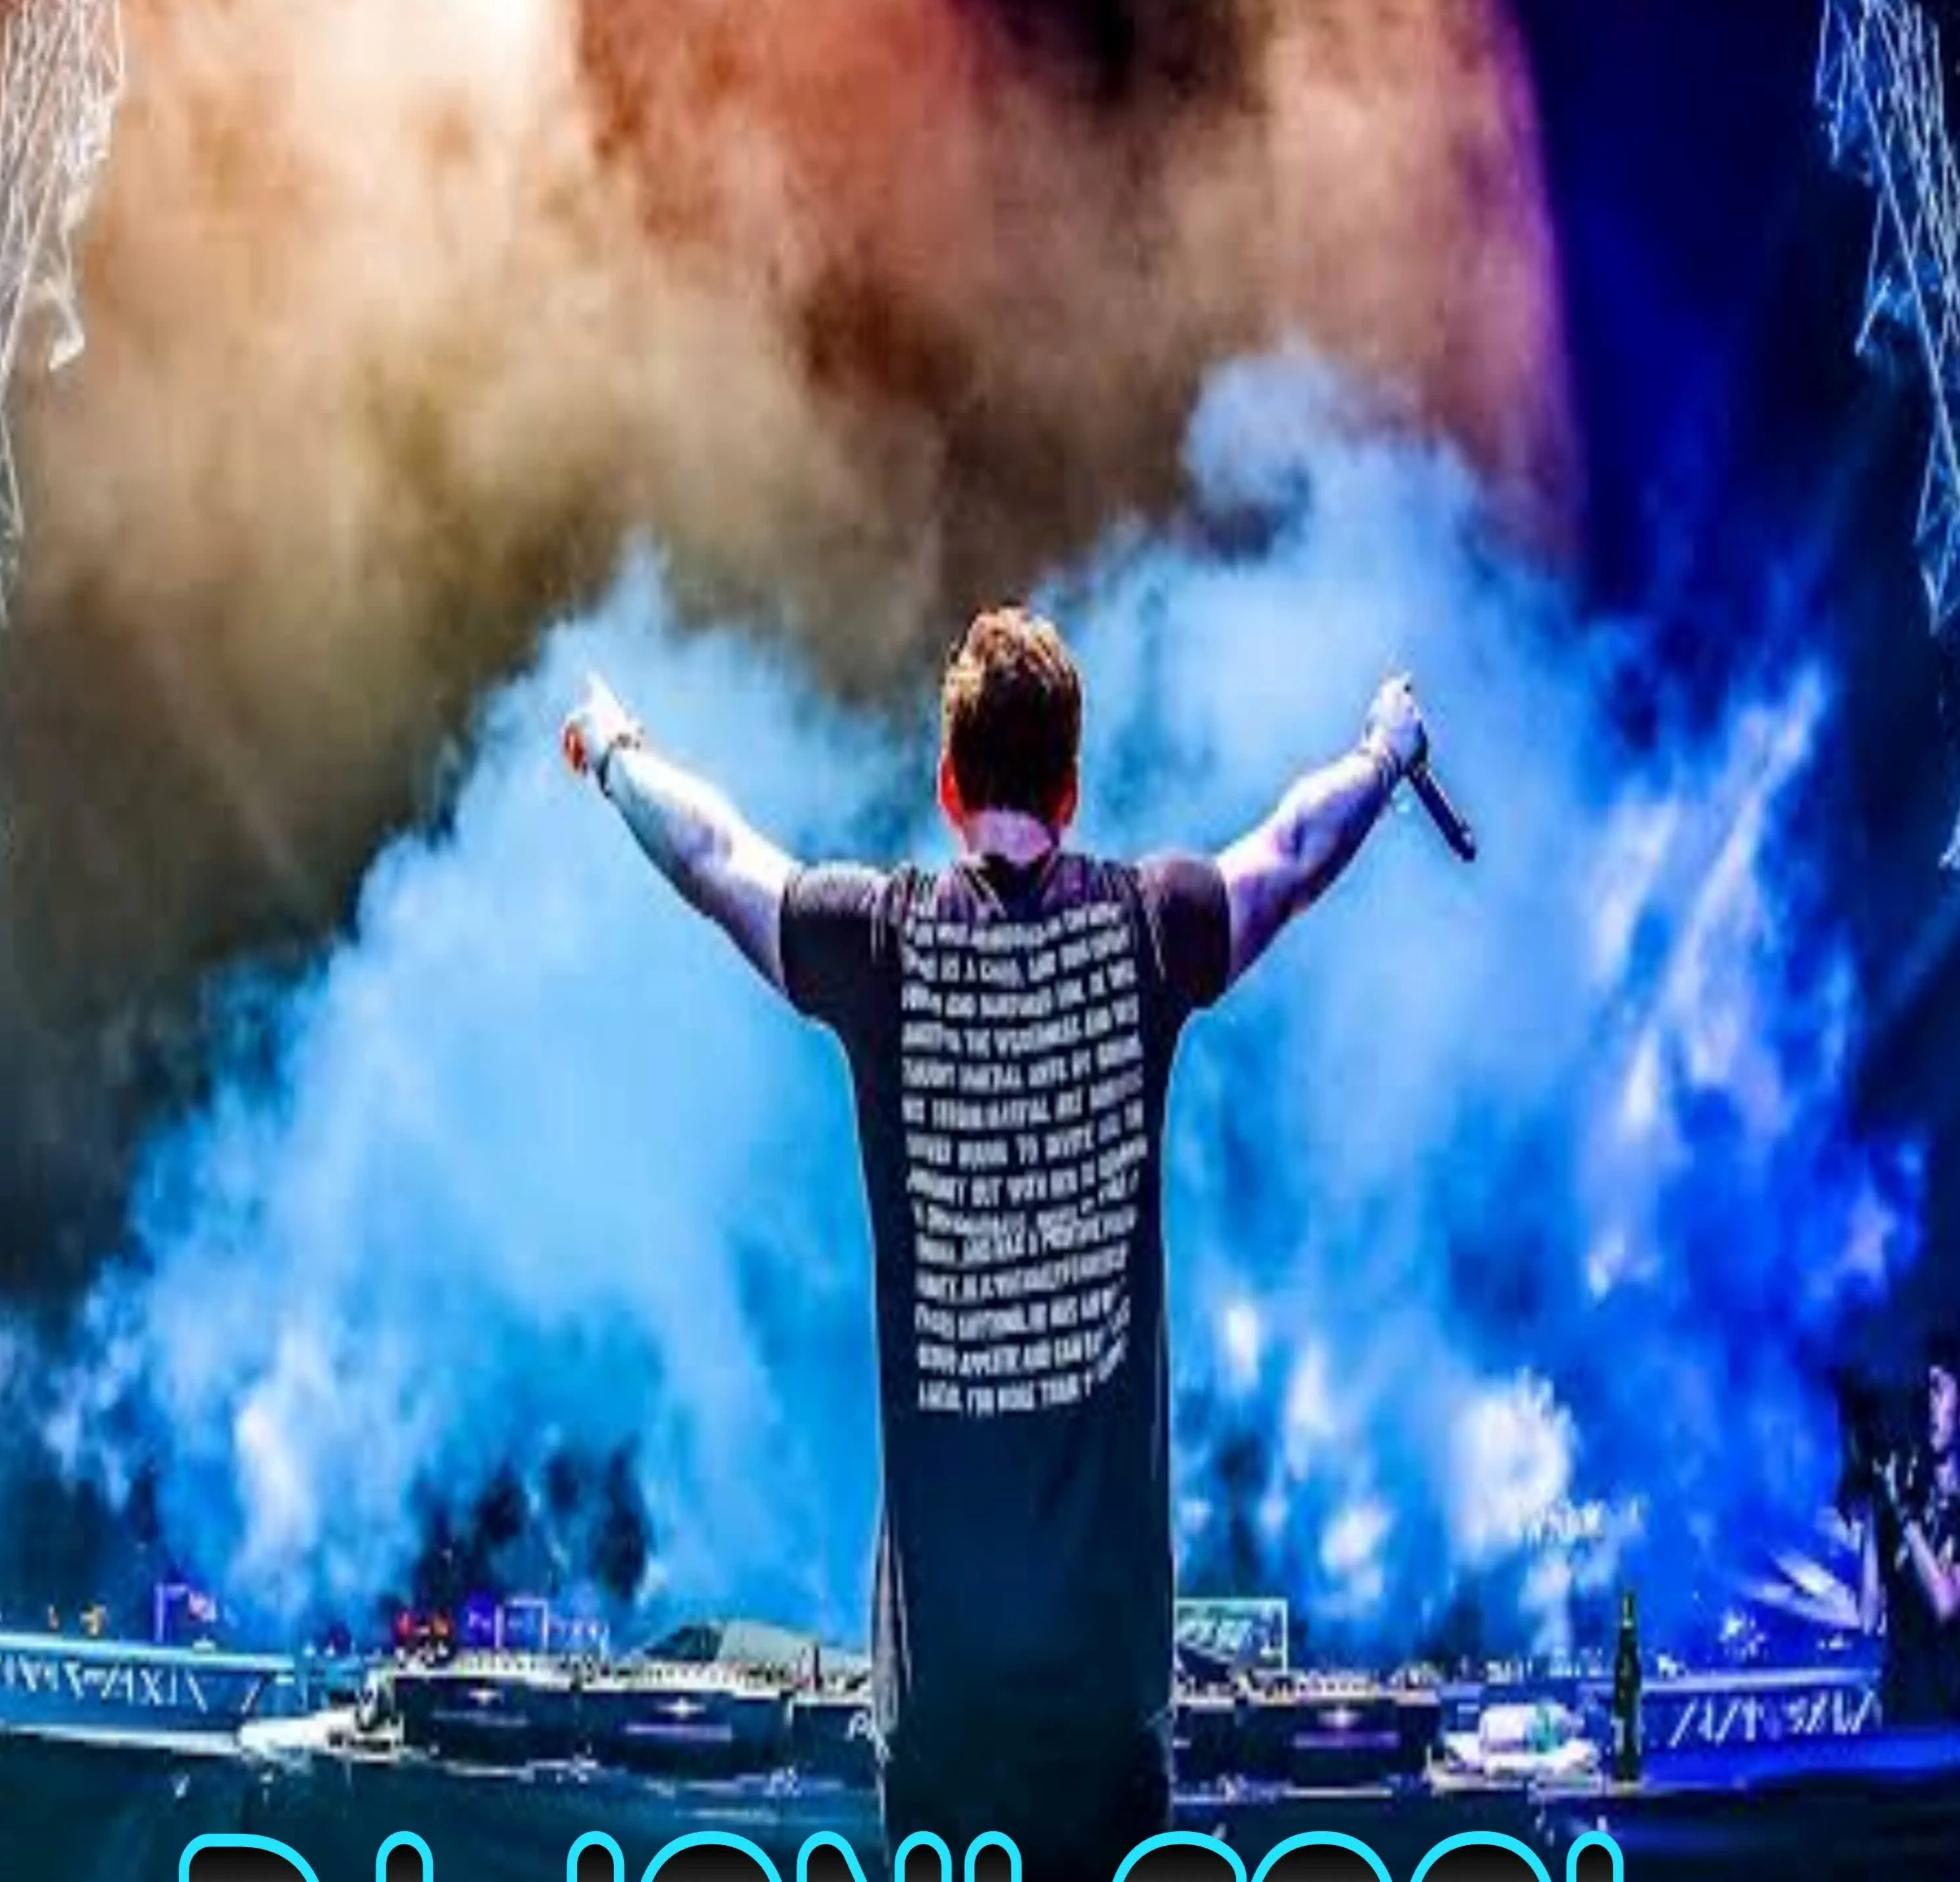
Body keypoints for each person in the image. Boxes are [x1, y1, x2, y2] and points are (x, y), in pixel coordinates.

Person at [563, 608, 1425, 1877]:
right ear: (1071, 790)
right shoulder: (1151, 930)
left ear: (947, 785)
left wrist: (615, 749)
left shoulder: (880, 945)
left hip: (945, 1703)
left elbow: (713, 856)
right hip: (1108, 1697)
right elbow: (1294, 850)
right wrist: (1387, 754)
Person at [1857, 1334, 1960, 1727]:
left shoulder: (1917, 1511)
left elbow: (1946, 1602)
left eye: (1938, 1388)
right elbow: (1868, 1616)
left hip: (1951, 1725)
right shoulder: (1905, 1499)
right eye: (1921, 1393)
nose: (1928, 1404)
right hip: (1901, 1720)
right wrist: (1876, 1508)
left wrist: (1903, 1512)